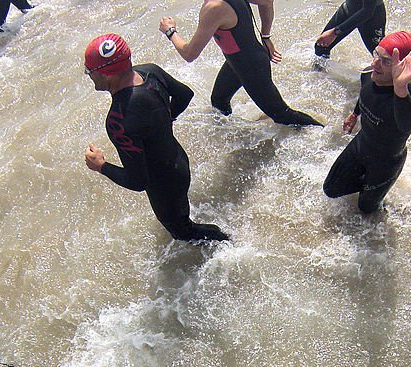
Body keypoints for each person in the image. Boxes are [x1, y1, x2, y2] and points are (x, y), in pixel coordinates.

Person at [83, 34, 230, 244]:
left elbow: (137, 181)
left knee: (183, 231)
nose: (89, 76)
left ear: (105, 73)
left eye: (89, 71)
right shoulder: (150, 71)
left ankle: (227, 242)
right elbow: (185, 94)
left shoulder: (118, 120)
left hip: (163, 185)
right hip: (178, 160)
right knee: (181, 211)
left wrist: (101, 166)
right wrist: (163, 120)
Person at [159, 0, 323, 127]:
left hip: (250, 67)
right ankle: (234, 139)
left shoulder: (213, 8)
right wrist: (265, 37)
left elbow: (190, 54)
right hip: (238, 61)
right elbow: (266, 1)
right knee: (219, 100)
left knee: (282, 115)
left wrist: (170, 31)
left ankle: (323, 133)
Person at [323, 32, 411, 214]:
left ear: (402, 68)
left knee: (366, 209)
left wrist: (400, 87)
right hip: (361, 146)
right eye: (376, 54)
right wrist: (355, 114)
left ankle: (379, 195)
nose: (375, 63)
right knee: (331, 190)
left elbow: (405, 126)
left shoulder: (407, 100)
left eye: (387, 61)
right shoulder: (369, 75)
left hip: (385, 164)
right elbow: (366, 93)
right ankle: (368, 185)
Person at [313, 0, 385, 59]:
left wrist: (335, 32)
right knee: (321, 46)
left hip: (371, 19)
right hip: (349, 9)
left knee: (382, 57)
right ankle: (320, 76)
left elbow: (367, 11)